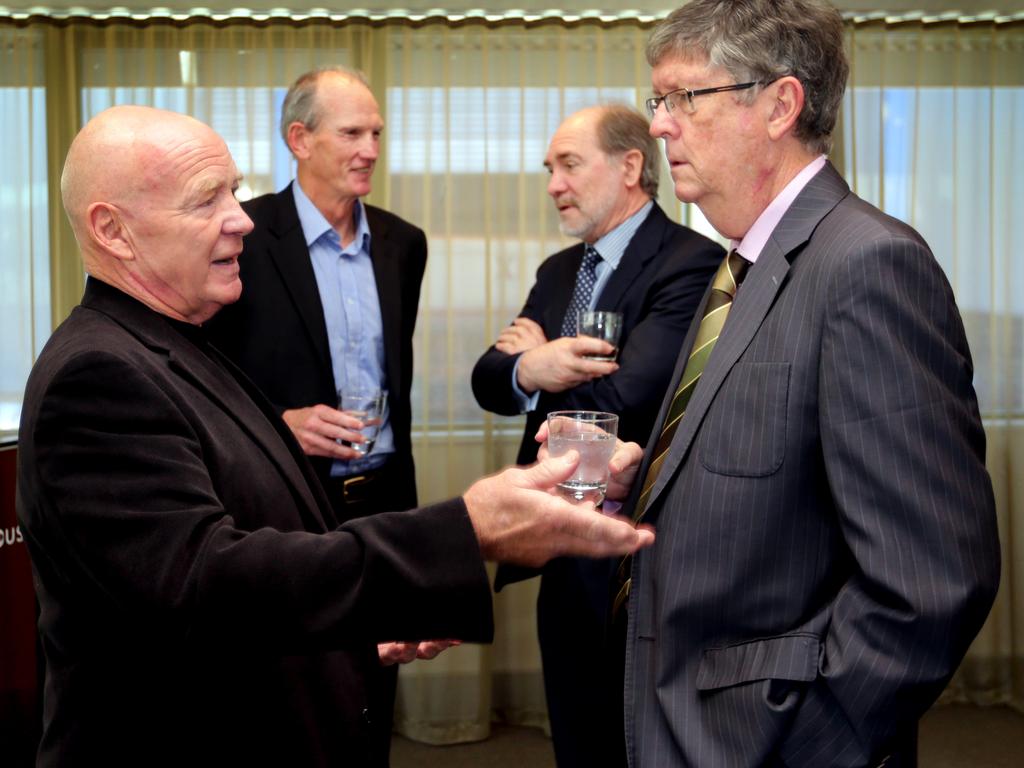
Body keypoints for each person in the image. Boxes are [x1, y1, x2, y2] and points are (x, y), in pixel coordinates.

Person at [15, 105, 654, 768]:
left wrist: (352, 634)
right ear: (112, 230)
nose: (241, 218)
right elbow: (207, 583)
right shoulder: (97, 377)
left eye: (234, 191)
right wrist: (465, 528)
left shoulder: (177, 341)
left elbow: (249, 562)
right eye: (207, 201)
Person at [616, 2, 1002, 767]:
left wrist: (806, 743)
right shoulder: (736, 266)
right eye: (658, 101)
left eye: (684, 98)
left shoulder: (868, 265)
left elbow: (929, 582)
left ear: (780, 105)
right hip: (680, 714)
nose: (658, 126)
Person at [471, 104, 721, 767]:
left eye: (569, 164)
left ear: (631, 166)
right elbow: (489, 381)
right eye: (550, 168)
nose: (553, 183)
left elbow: (630, 395)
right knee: (576, 732)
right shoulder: (557, 271)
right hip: (557, 540)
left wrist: (541, 358)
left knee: (640, 738)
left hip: (640, 546)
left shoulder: (693, 261)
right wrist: (532, 365)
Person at [203, 67, 426, 758]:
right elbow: (201, 374)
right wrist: (280, 424)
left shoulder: (402, 242)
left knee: (375, 688)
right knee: (293, 703)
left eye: (377, 133)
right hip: (285, 508)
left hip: (385, 500)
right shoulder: (244, 234)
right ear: (298, 138)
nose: (369, 149)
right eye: (351, 132)